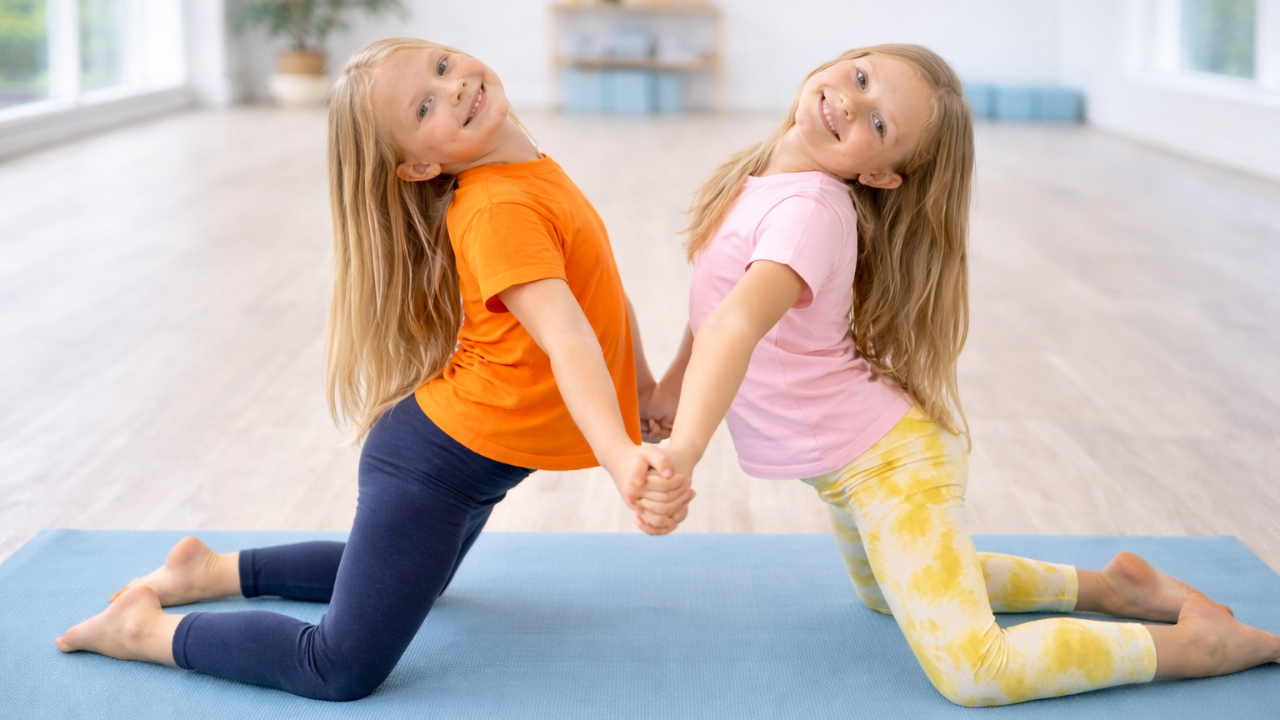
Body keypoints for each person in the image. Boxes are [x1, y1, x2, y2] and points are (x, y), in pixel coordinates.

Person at [641, 44, 1280, 706]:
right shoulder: (760, 180)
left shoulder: (806, 212)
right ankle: (1113, 589)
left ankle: (1197, 645)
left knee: (978, 671)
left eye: (879, 124)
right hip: (847, 466)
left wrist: (687, 448)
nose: (851, 101)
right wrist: (669, 387)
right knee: (886, 595)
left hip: (887, 467)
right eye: (861, 78)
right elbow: (714, 304)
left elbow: (735, 326)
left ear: (884, 176)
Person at [54, 38, 692, 701]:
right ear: (418, 166)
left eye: (443, 67)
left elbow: (601, 298)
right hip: (435, 468)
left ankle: (210, 570)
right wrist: (618, 453)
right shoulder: (500, 207)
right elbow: (567, 337)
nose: (454, 88)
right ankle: (139, 631)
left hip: (466, 460)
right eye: (424, 106)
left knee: (422, 579)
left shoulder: (526, 162)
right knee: (338, 668)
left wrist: (641, 388)